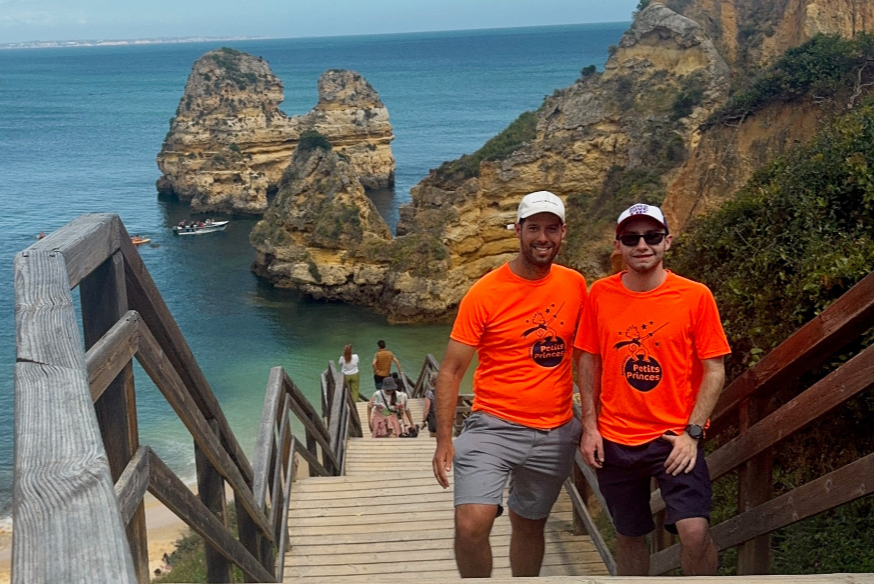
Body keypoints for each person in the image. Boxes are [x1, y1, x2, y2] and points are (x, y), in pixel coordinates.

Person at [431, 191, 587, 578]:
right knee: (471, 524)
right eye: (533, 228)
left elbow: (588, 356)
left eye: (551, 229)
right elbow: (451, 370)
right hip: (493, 425)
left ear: (563, 232)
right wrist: (444, 439)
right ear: (517, 230)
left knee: (530, 524)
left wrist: (594, 422)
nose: (542, 238)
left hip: (555, 430)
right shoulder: (485, 292)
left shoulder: (575, 285)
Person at [574, 203, 730, 576]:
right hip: (615, 437)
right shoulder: (600, 294)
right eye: (631, 238)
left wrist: (693, 433)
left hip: (674, 438)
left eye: (652, 236)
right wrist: (590, 427)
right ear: (618, 245)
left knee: (694, 532)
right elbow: (588, 361)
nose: (642, 245)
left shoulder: (695, 296)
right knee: (629, 534)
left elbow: (714, 369)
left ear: (667, 241)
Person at [421, 372, 438, 437]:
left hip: (434, 418)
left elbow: (427, 408)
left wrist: (423, 421)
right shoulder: (446, 392)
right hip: (445, 419)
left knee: (433, 437)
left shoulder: (429, 393)